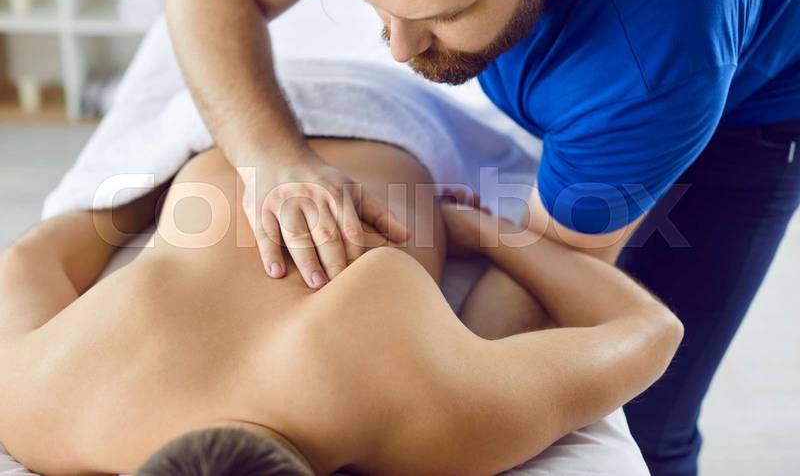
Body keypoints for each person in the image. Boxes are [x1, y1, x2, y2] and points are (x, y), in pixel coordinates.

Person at [165, 0, 800, 473]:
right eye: (372, 2)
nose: (399, 49)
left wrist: (440, 398)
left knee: (653, 418)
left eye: (444, 14)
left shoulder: (651, 62)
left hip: (760, 105)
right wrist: (273, 159)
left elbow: (564, 280)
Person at [0, 139, 683, 475]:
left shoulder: (439, 419)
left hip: (372, 106)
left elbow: (650, 330)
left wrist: (485, 233)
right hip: (220, 136)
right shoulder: (41, 407)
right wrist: (142, 197)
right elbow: (28, 258)